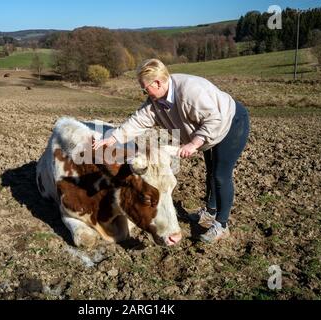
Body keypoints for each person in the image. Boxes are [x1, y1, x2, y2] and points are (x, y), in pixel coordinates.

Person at [93, 59, 250, 244]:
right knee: (211, 173)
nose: (144, 93)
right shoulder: (156, 101)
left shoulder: (190, 91)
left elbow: (214, 119)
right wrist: (113, 138)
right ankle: (210, 211)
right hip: (207, 134)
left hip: (231, 123)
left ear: (158, 83)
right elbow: (138, 121)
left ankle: (221, 225)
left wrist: (193, 144)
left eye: (145, 89)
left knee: (220, 175)